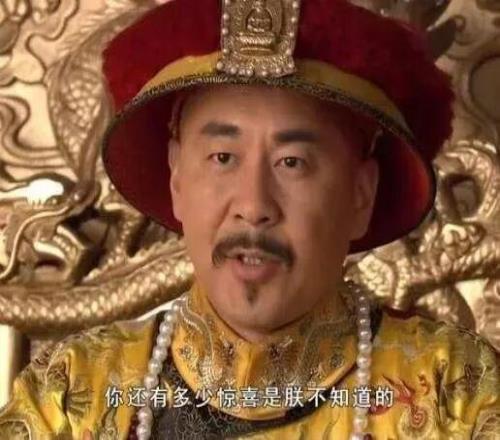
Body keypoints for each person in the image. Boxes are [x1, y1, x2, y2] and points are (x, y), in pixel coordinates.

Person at [0, 0, 499, 439]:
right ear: (176, 178)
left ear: (360, 194)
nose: (254, 205)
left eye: (292, 162)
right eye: (223, 157)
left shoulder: (455, 395)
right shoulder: (69, 394)